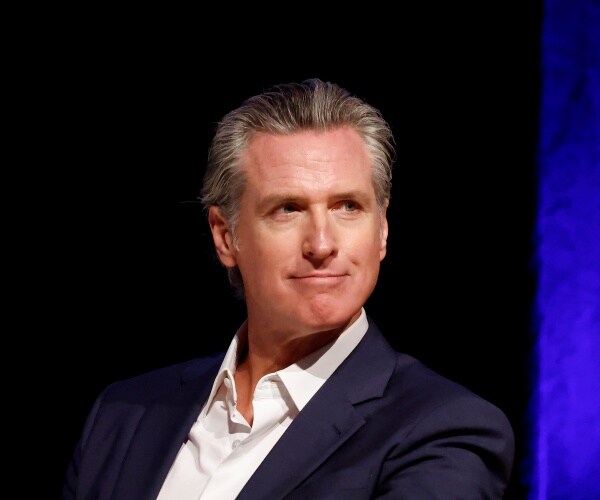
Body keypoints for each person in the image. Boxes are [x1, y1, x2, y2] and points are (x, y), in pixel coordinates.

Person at [62, 78, 515, 499]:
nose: (321, 244)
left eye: (348, 206)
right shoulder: (122, 414)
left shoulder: (444, 429)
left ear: (382, 230)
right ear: (226, 236)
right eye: (288, 209)